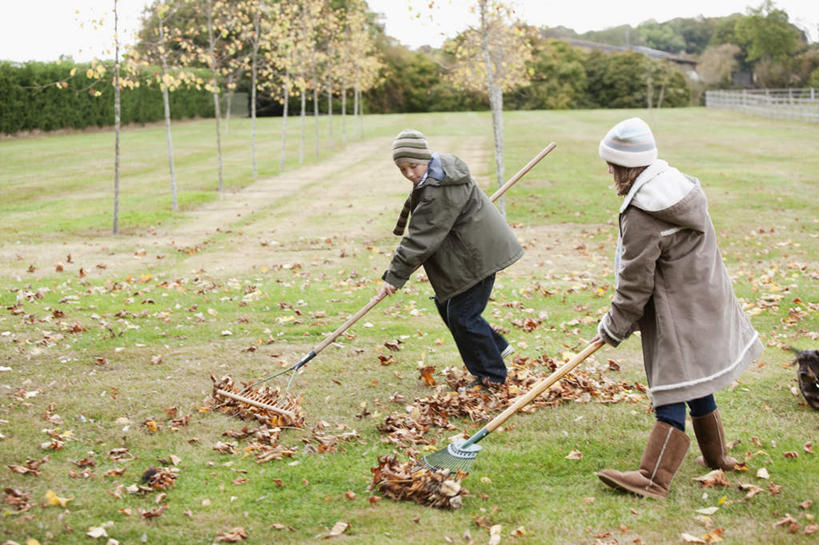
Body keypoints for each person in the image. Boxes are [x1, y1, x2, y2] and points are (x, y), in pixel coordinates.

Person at [591, 117, 763, 499]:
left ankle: (654, 477)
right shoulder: (679, 188)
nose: (610, 175)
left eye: (611, 167)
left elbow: (635, 284)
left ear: (624, 167)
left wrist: (613, 326)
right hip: (707, 299)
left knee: (670, 384)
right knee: (693, 374)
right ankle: (717, 456)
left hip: (679, 308)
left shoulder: (642, 214)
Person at [378, 129, 523, 387]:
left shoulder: (438, 187)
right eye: (403, 170)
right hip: (469, 250)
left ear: (425, 158)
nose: (410, 174)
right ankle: (495, 346)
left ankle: (491, 376)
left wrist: (395, 276)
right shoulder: (437, 175)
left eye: (413, 166)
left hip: (479, 255)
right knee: (449, 307)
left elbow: (420, 238)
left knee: (462, 316)